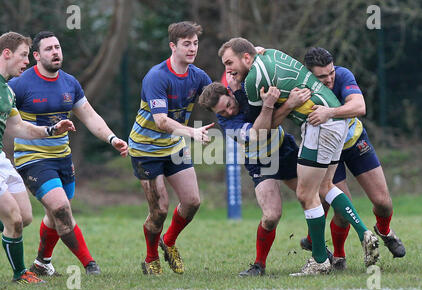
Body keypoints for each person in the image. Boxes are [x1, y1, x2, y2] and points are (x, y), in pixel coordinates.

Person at [218, 38, 379, 275]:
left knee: (306, 194)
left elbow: (263, 127)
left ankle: (320, 261)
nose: (228, 70)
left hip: (317, 125)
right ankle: (363, 233)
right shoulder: (269, 53)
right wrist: (288, 102)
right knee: (324, 187)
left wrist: (278, 104)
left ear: (246, 58)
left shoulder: (253, 81)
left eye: (229, 63)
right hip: (334, 124)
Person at [7, 31, 128, 276]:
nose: (55, 52)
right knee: (61, 208)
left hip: (63, 158)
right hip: (33, 160)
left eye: (57, 47)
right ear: (37, 56)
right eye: (49, 49)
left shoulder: (70, 83)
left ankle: (42, 263)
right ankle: (90, 264)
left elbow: (90, 116)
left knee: (55, 215)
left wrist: (111, 138)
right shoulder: (19, 84)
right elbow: (9, 122)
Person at [199, 73, 317, 276]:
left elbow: (252, 61)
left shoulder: (245, 88)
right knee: (271, 216)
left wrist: (258, 52)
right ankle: (258, 266)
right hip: (260, 161)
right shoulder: (227, 124)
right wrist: (271, 105)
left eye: (228, 104)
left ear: (229, 92)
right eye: (222, 111)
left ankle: (314, 244)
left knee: (316, 198)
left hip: (284, 148)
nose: (229, 110)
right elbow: (257, 133)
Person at [298, 47, 405, 269]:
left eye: (330, 74)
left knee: (383, 202)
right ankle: (338, 256)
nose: (328, 79)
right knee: (341, 206)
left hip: (354, 142)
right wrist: (260, 52)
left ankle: (384, 231)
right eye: (322, 76)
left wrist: (329, 112)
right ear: (309, 75)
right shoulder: (300, 84)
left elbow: (360, 106)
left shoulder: (343, 75)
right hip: (326, 151)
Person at [128, 21, 213, 275]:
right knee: (160, 210)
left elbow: (217, 97)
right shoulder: (156, 76)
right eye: (186, 44)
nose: (192, 48)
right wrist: (192, 132)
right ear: (172, 46)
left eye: (195, 43)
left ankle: (169, 241)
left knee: (193, 201)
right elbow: (161, 121)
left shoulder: (197, 76)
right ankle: (151, 258)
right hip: (146, 150)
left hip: (174, 146)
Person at [0, 31, 75, 283]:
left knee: (25, 216)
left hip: (1, 159)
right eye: (23, 55)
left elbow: (18, 128)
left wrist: (52, 130)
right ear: (6, 54)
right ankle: (21, 274)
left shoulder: (7, 92)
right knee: (12, 217)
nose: (27, 62)